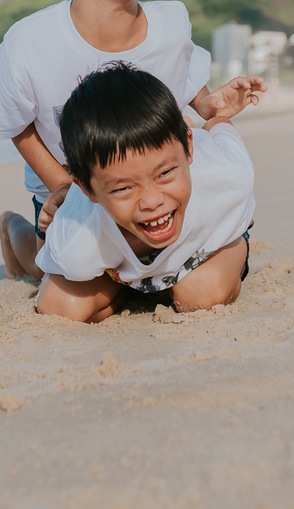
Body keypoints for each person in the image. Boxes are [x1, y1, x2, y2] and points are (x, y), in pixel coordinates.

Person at [0, 0, 266, 279]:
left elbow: (183, 80)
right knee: (66, 277)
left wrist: (208, 103)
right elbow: (16, 125)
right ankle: (15, 232)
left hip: (156, 189)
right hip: (75, 195)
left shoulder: (171, 22)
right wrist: (63, 186)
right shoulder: (28, 44)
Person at [29, 63, 258, 323]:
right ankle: (11, 228)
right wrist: (47, 228)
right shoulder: (78, 239)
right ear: (86, 189)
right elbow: (46, 263)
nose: (152, 201)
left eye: (165, 174)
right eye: (124, 188)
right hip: (117, 268)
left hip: (205, 247)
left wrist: (218, 118)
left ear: (189, 149)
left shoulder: (226, 175)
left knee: (202, 295)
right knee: (59, 308)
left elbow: (224, 137)